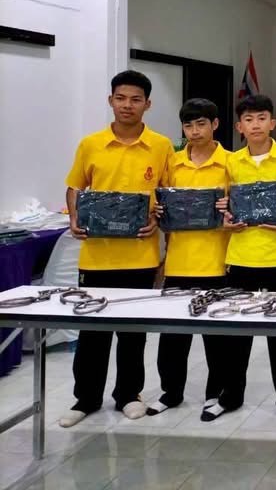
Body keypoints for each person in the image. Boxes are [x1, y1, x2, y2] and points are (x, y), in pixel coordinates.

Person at [60, 70, 174, 428]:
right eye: (121, 98)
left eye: (135, 99)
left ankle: (128, 394)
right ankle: (86, 398)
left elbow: (168, 196)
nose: (127, 105)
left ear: (147, 104)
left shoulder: (161, 146)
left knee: (132, 332)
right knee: (92, 332)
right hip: (97, 255)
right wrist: (74, 217)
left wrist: (156, 220)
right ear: (111, 100)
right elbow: (75, 187)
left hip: (140, 255)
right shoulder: (90, 144)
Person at [208, 94, 276, 424]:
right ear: (239, 127)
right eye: (248, 120)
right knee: (237, 331)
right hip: (241, 255)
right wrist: (226, 219)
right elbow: (223, 204)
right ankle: (231, 395)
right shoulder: (231, 161)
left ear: (272, 123)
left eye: (262, 118)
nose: (256, 125)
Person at [147, 98, 230, 417]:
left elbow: (238, 210)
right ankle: (171, 392)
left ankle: (216, 392)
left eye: (201, 124)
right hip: (179, 261)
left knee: (217, 335)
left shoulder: (231, 162)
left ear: (215, 125)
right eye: (188, 125)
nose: (195, 131)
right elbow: (161, 207)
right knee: (173, 334)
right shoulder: (172, 163)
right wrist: (158, 211)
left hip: (217, 261)